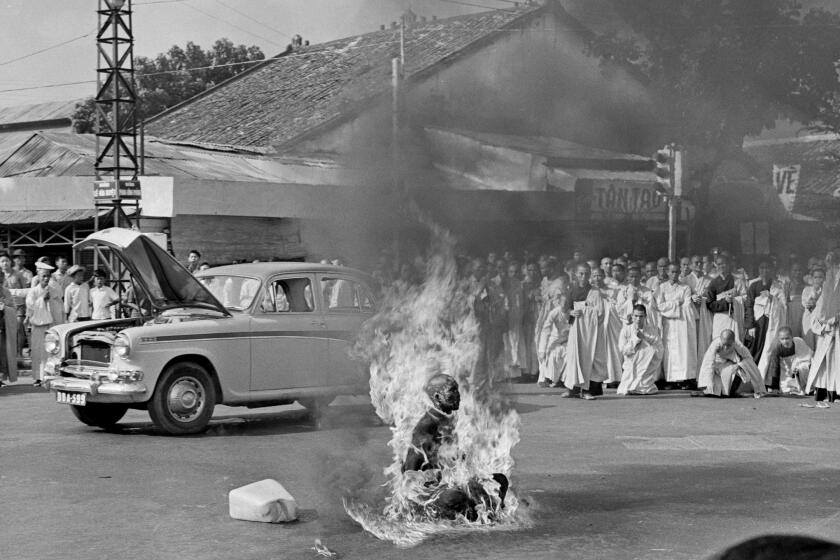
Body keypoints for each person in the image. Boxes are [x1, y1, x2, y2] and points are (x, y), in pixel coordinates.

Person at [402, 374, 508, 521]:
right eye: (452, 391)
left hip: (449, 482)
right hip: (429, 494)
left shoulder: (448, 418)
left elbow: (451, 458)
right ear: (438, 397)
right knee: (457, 497)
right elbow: (409, 471)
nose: (458, 395)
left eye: (457, 390)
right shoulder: (427, 425)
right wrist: (432, 483)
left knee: (499, 481)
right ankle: (477, 515)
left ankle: (488, 514)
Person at [559, 264, 606, 399]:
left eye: (586, 274)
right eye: (581, 273)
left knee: (588, 357)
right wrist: (571, 312)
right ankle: (572, 389)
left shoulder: (595, 292)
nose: (583, 277)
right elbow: (565, 309)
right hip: (576, 329)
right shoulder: (571, 290)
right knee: (574, 357)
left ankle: (586, 390)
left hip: (590, 332)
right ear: (576, 274)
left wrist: (586, 312)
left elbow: (600, 313)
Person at [805, 251, 840, 405]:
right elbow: (823, 306)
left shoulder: (834, 281)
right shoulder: (828, 282)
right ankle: (825, 390)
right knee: (826, 360)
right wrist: (822, 323)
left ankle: (834, 391)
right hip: (827, 327)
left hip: (834, 325)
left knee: (835, 359)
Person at [657, 263, 697, 388]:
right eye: (671, 272)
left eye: (676, 272)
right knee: (670, 350)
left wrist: (671, 305)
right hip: (668, 324)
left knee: (683, 349)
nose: (674, 274)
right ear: (667, 272)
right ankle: (671, 379)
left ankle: (685, 379)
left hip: (682, 324)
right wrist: (676, 303)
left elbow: (687, 306)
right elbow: (660, 306)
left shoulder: (685, 288)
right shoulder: (662, 288)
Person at [696, 329, 765, 398]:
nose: (726, 348)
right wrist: (707, 383)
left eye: (728, 345)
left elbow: (749, 359)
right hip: (716, 366)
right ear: (720, 340)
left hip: (729, 364)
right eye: (724, 345)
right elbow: (708, 362)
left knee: (741, 368)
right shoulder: (715, 345)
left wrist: (741, 365)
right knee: (712, 387)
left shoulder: (738, 345)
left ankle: (732, 391)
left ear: (733, 341)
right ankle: (712, 391)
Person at [744, 262, 788, 364]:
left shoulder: (777, 286)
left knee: (768, 347)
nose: (765, 270)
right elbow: (749, 305)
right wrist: (750, 326)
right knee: (754, 348)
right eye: (762, 267)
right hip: (757, 322)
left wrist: (771, 298)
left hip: (772, 322)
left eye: (767, 267)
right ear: (758, 269)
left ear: (772, 269)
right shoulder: (753, 285)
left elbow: (783, 305)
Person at [616, 304, 664, 395]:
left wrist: (644, 339)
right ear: (632, 316)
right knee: (625, 388)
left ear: (645, 316)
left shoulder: (652, 331)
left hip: (646, 368)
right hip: (631, 366)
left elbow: (660, 351)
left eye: (641, 316)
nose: (638, 319)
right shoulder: (625, 330)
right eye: (636, 316)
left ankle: (643, 384)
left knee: (645, 387)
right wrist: (635, 340)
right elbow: (623, 350)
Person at [25, 263, 58, 386]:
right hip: (37, 325)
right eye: (43, 276)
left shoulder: (53, 290)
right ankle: (38, 377)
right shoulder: (33, 291)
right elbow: (30, 306)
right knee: (37, 351)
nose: (46, 278)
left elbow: (57, 306)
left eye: (48, 276)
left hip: (50, 325)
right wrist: (42, 299)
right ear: (38, 277)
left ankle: (48, 375)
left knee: (49, 351)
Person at [758, 326, 812, 396]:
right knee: (786, 386)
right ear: (779, 339)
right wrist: (775, 387)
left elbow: (807, 357)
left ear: (792, 337)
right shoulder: (777, 350)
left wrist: (797, 367)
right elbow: (775, 367)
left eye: (787, 338)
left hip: (800, 368)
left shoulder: (799, 342)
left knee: (802, 368)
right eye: (782, 339)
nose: (785, 341)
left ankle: (807, 387)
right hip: (786, 371)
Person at [705, 255, 748, 342]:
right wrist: (725, 301)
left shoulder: (737, 281)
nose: (722, 266)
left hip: (734, 317)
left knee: (735, 342)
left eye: (724, 263)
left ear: (729, 264)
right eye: (719, 264)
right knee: (719, 342)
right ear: (716, 265)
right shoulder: (713, 283)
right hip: (720, 317)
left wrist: (735, 300)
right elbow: (710, 304)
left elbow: (745, 298)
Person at [536, 279, 569, 388]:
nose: (564, 305)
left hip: (568, 340)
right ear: (559, 302)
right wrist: (542, 349)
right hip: (554, 339)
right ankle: (546, 378)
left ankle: (564, 379)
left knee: (569, 355)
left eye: (567, 303)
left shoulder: (572, 312)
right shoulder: (554, 313)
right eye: (563, 303)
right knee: (551, 354)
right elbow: (546, 331)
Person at [1, 252, 27, 356]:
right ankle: (8, 353)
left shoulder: (18, 274)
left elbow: (25, 290)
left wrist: (26, 306)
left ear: (10, 262)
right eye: (2, 261)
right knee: (6, 330)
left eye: (6, 260)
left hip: (18, 306)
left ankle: (19, 353)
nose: (4, 263)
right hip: (4, 307)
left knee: (19, 328)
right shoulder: (0, 275)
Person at [503, 262, 526, 379]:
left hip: (516, 316)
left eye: (515, 272)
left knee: (516, 342)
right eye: (511, 272)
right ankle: (507, 372)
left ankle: (516, 373)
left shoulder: (519, 285)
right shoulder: (504, 285)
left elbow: (521, 303)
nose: (513, 274)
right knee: (508, 343)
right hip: (506, 317)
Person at [801, 266, 825, 351]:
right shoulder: (807, 290)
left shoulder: (826, 291)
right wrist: (815, 290)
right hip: (808, 318)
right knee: (809, 342)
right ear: (812, 279)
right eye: (815, 277)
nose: (818, 280)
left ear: (824, 278)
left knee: (819, 342)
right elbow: (807, 304)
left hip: (821, 319)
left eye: (820, 277)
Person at [786, 261, 806, 338]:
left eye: (800, 270)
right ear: (790, 271)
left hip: (804, 314)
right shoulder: (787, 286)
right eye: (795, 270)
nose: (797, 273)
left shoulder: (807, 286)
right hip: (791, 315)